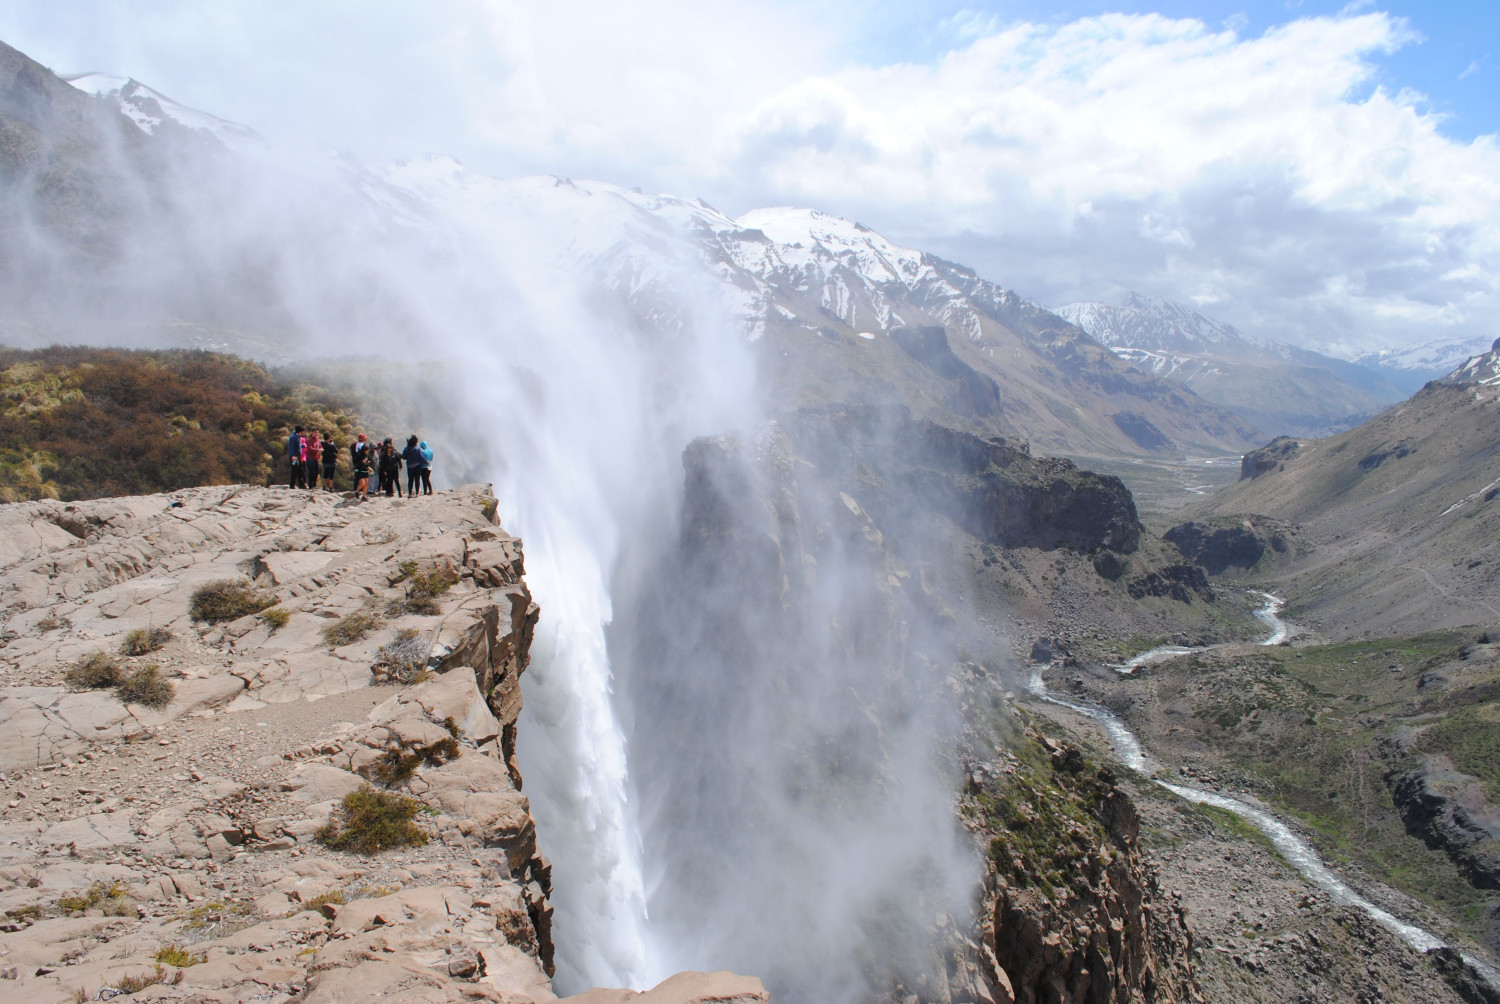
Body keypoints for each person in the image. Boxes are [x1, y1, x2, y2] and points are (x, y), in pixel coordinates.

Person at [350, 434, 372, 501]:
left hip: (359, 466)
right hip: (361, 467)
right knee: (363, 483)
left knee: (365, 482)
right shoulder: (363, 447)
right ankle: (358, 492)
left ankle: (362, 495)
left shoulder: (354, 445)